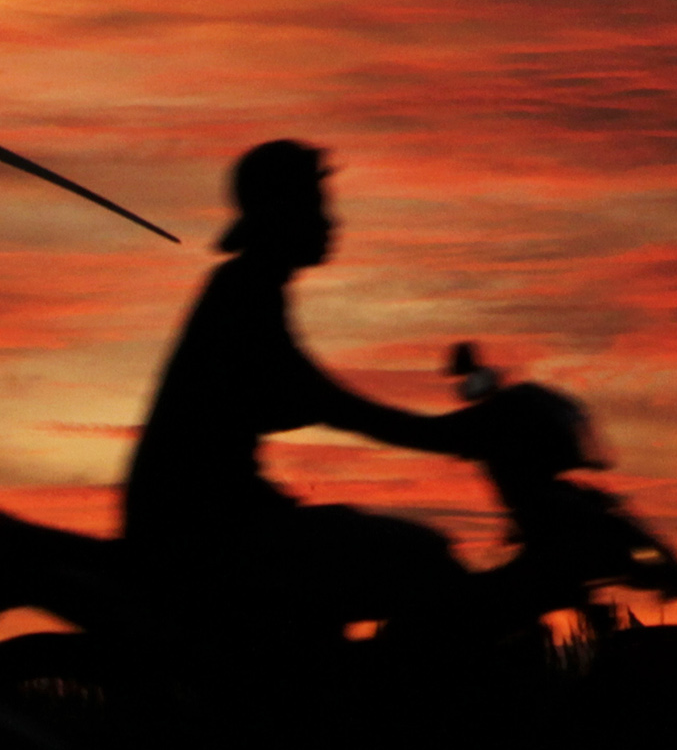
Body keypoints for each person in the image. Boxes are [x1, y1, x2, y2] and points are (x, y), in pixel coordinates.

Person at [120, 139, 471, 637]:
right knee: (416, 559)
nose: (331, 222)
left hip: (212, 516)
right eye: (316, 206)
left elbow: (304, 397)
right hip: (204, 528)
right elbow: (325, 400)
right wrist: (448, 435)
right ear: (282, 211)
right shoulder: (245, 293)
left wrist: (439, 433)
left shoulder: (249, 286)